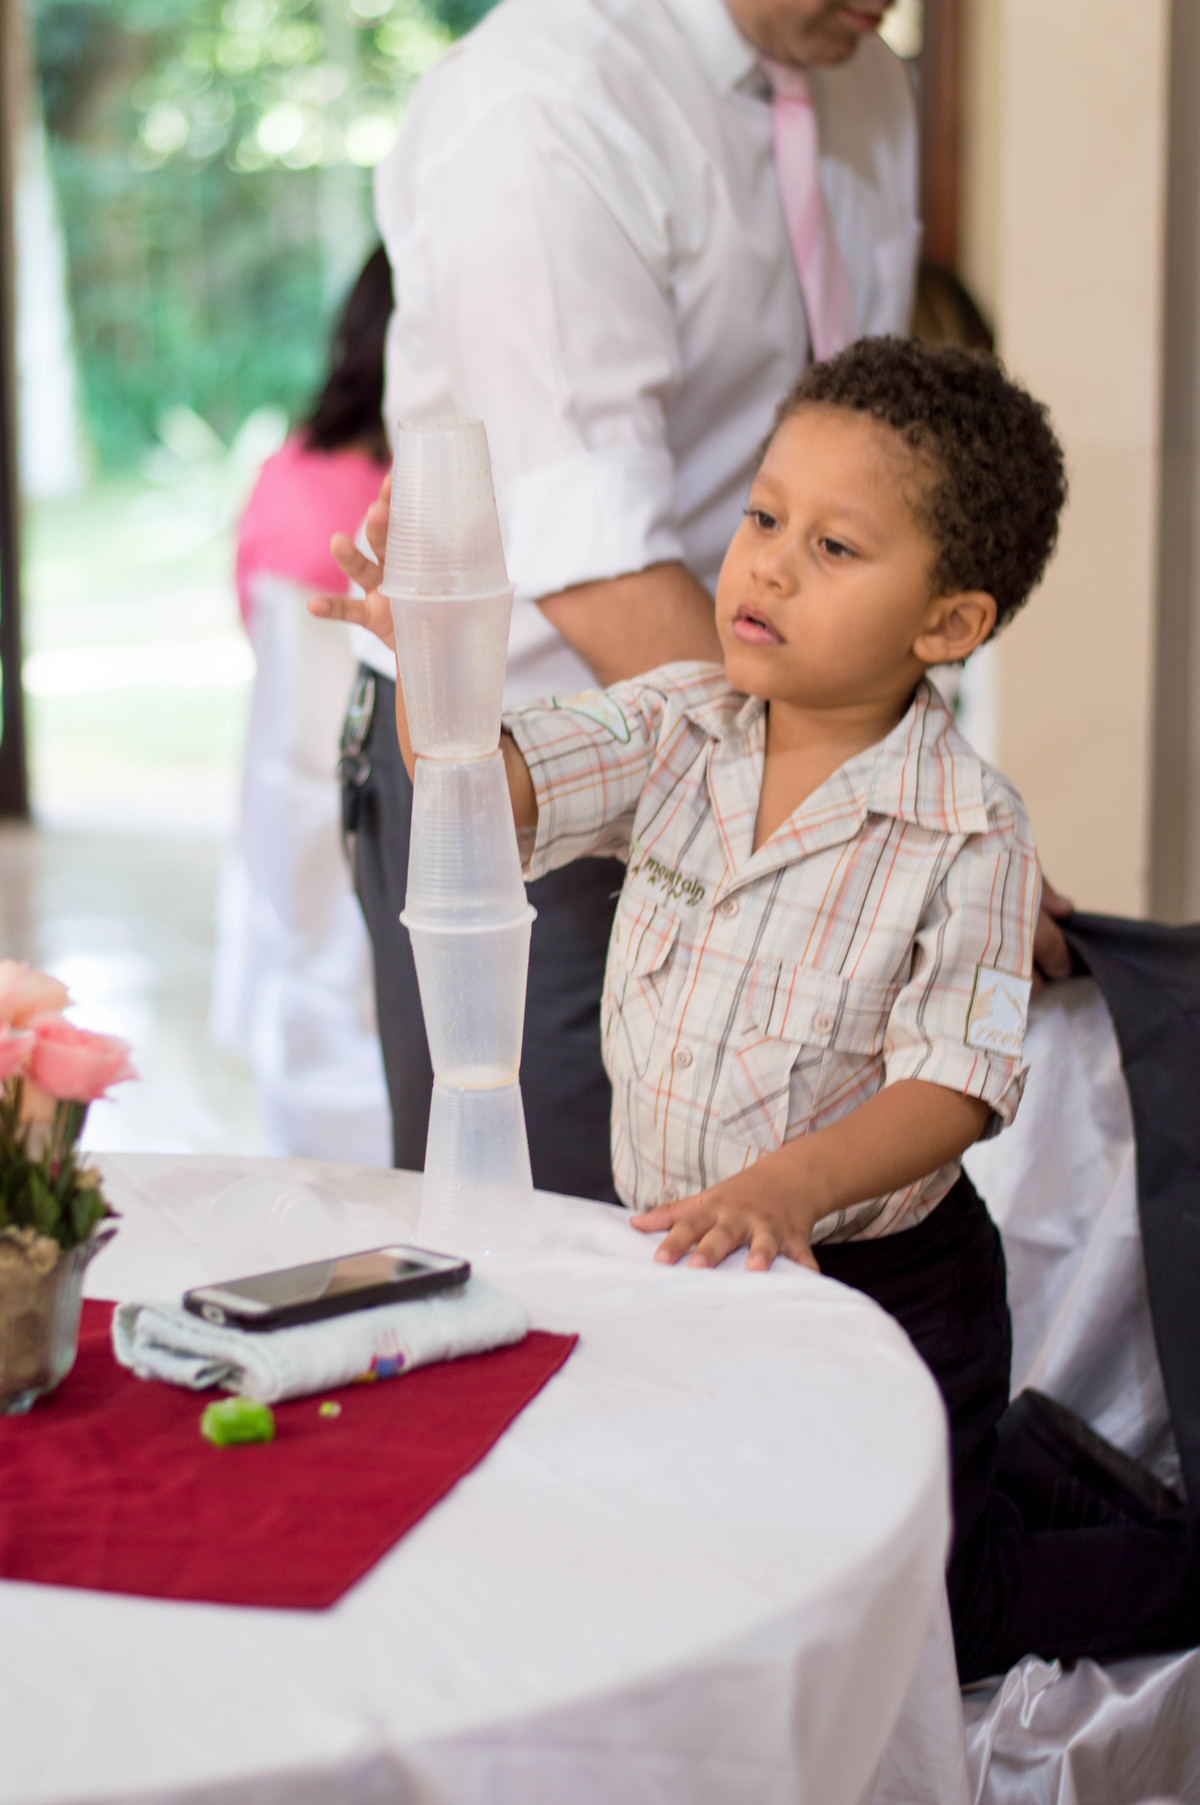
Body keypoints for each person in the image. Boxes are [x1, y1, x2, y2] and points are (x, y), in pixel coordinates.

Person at [317, 336, 1199, 1682]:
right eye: (762, 518)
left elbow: (957, 1080)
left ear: (949, 624)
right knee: (742, 1543)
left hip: (889, 1290)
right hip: (699, 1256)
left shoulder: (968, 827)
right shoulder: (680, 722)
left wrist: (796, 1182)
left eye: (834, 547)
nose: (770, 565)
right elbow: (491, 795)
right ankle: (1023, 1462)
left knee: (930, 1610)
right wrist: (436, 666)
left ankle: (1165, 1554)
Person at [343, 0, 922, 1199]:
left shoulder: (858, 76)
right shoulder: (547, 101)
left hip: (772, 745)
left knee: (757, 1204)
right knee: (557, 1226)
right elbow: (595, 563)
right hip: (537, 757)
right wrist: (850, 813)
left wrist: (909, 800)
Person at [210, 248, 393, 1165]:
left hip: (282, 804)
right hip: (385, 791)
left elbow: (250, 614)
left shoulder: (283, 469)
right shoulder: (408, 498)